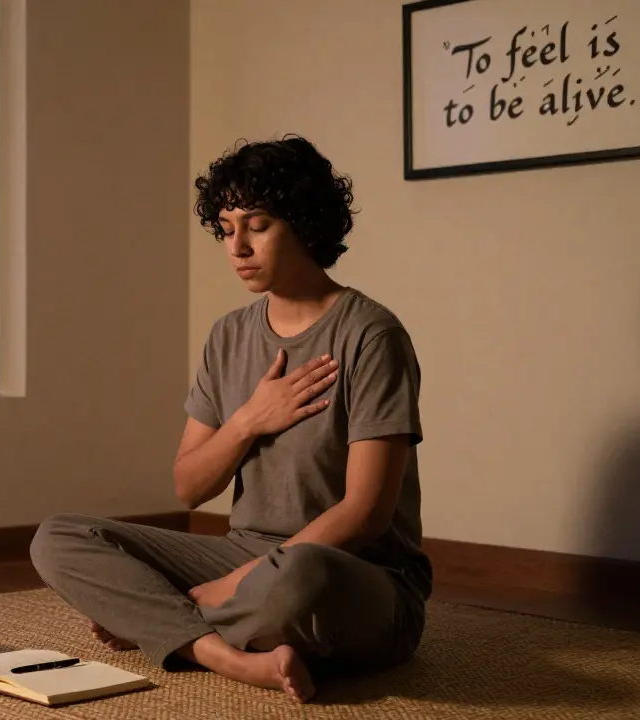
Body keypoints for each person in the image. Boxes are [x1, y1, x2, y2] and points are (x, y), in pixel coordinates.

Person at [29, 135, 431, 702]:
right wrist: (247, 421)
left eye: (257, 225)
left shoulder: (371, 335)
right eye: (225, 229)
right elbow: (189, 487)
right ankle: (226, 655)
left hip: (352, 573)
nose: (237, 247)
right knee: (58, 537)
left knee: (299, 581)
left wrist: (221, 589)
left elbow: (365, 513)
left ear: (305, 223)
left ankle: (164, 623)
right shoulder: (229, 336)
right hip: (244, 554)